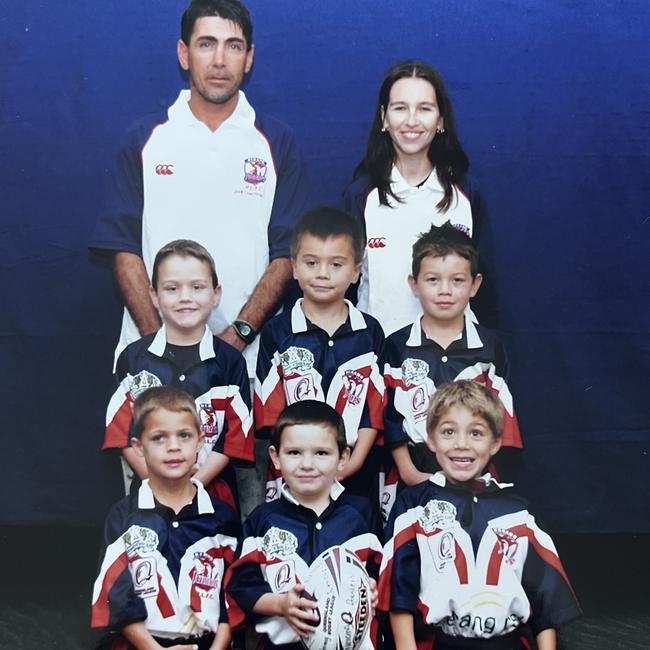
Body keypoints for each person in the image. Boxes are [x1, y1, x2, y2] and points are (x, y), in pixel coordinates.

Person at [90, 0, 310, 374]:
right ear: (183, 53)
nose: (220, 60)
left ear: (250, 57)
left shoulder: (276, 142)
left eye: (234, 46)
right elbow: (122, 247)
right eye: (207, 43)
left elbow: (288, 254)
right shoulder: (146, 138)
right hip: (149, 359)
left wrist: (238, 337)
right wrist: (160, 343)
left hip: (246, 361)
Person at [379, 381, 581, 650]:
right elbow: (398, 595)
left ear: (496, 442)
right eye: (449, 432)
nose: (461, 444)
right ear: (431, 438)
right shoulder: (414, 506)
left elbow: (545, 607)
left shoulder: (519, 513)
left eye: (476, 433)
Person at [342, 59, 496, 335]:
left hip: (454, 363)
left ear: (441, 120)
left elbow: (484, 289)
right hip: (381, 359)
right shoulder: (360, 195)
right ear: (384, 118)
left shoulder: (467, 194)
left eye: (424, 109)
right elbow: (343, 286)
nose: (411, 121)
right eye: (400, 108)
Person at [103, 239, 253, 512]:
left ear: (216, 294)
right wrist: (159, 483)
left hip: (213, 498)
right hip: (149, 500)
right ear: (154, 296)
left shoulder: (230, 363)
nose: (185, 297)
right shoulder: (134, 359)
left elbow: (234, 439)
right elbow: (121, 432)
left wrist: (194, 485)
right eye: (172, 288)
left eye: (197, 287)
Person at [382, 223, 522, 515]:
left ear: (475, 285)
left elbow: (501, 418)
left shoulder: (489, 347)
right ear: (414, 284)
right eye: (433, 280)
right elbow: (390, 417)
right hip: (413, 475)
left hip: (476, 473)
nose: (445, 290)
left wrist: (477, 471)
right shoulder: (397, 346)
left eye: (457, 280)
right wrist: (409, 472)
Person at [91, 386, 241, 650]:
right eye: (159, 438)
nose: (173, 447)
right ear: (138, 446)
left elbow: (232, 597)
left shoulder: (221, 517)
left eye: (184, 435)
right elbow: (116, 597)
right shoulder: (123, 517)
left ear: (200, 440)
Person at [224, 401, 383, 649]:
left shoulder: (361, 515)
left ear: (343, 458)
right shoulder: (263, 520)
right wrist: (279, 605)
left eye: (321, 453)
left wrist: (372, 588)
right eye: (294, 452)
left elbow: (381, 574)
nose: (307, 464)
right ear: (276, 457)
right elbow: (241, 587)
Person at [254, 208, 385, 504]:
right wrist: (297, 463)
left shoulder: (369, 332)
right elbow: (271, 413)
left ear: (356, 271)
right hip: (295, 472)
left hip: (355, 469)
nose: (323, 273)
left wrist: (352, 462)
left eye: (336, 264)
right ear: (295, 268)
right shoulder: (278, 331)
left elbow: (375, 410)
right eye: (312, 263)